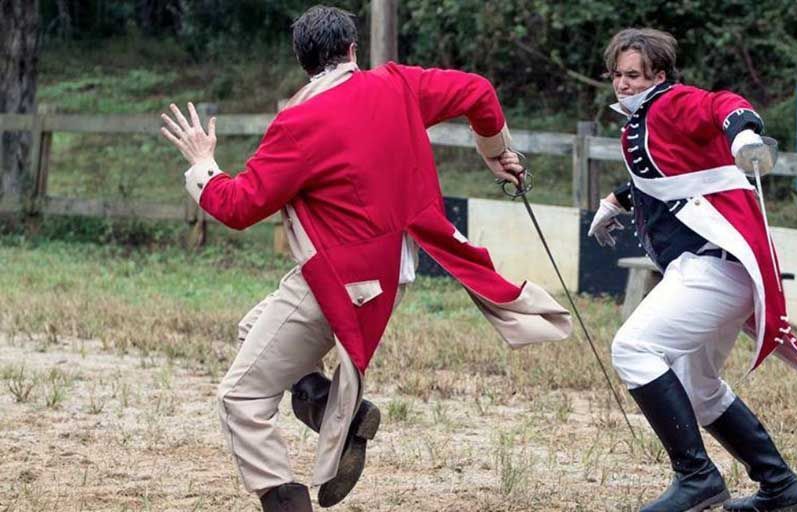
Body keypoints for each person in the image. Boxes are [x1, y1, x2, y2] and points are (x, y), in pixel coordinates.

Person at [160, 6, 571, 511]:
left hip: (340, 279)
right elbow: (479, 92)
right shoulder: (397, 84)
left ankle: (295, 490)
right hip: (389, 272)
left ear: (303, 62)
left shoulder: (298, 123)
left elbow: (239, 207)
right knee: (254, 328)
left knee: (240, 398)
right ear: (353, 50)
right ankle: (337, 411)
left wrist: (204, 166)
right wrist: (493, 151)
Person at [588, 28, 797, 512]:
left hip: (711, 268)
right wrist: (618, 199)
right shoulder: (646, 119)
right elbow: (673, 172)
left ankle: (697, 477)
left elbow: (722, 103)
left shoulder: (671, 103)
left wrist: (743, 132)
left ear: (658, 75)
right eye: (617, 75)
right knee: (699, 389)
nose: (622, 84)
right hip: (712, 269)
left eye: (633, 75)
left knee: (633, 348)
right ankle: (781, 489)